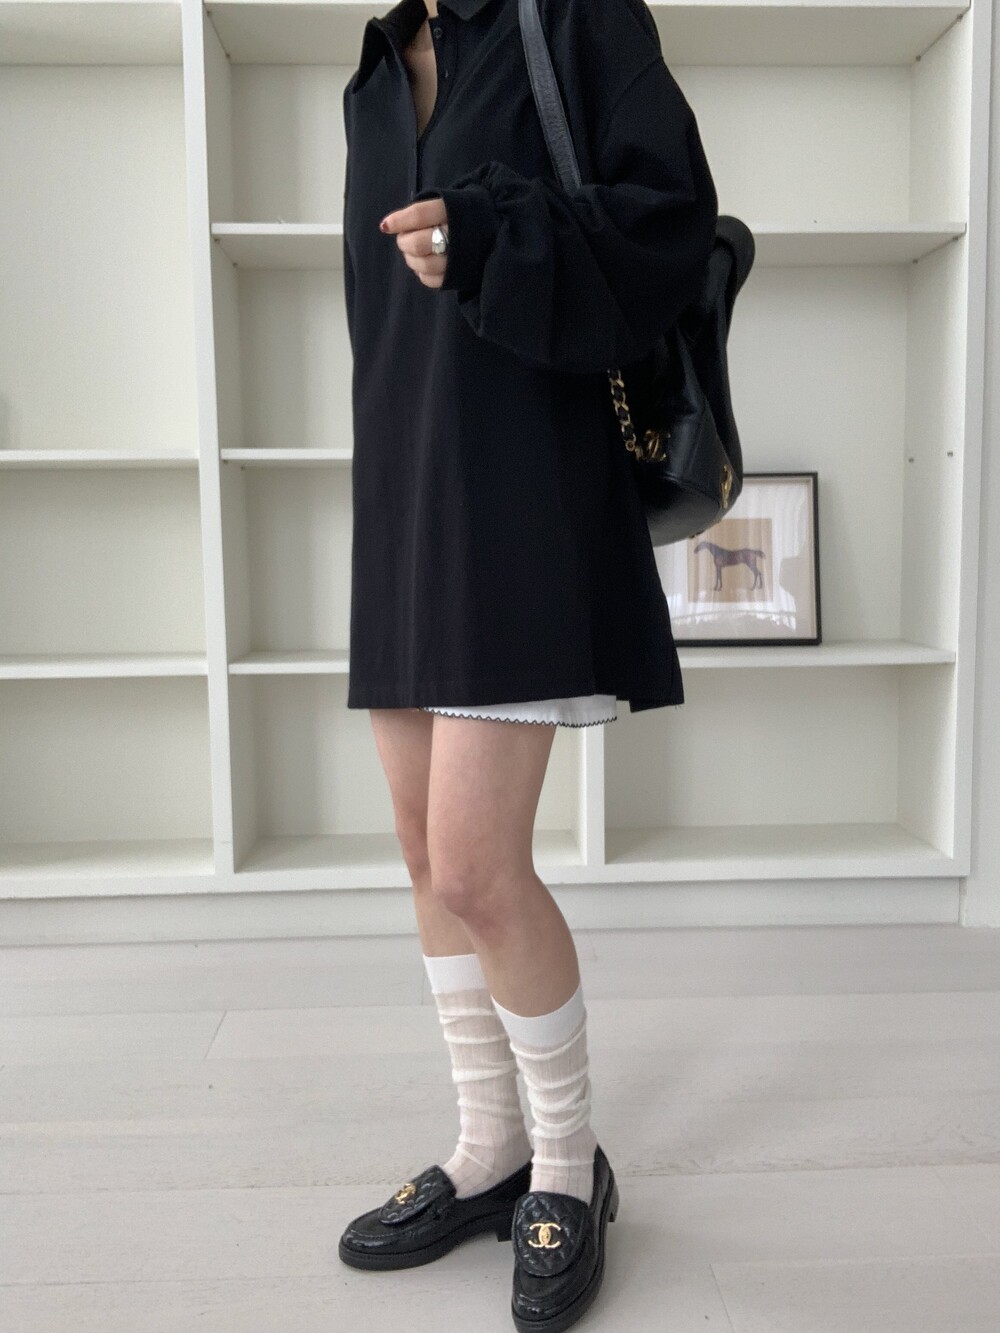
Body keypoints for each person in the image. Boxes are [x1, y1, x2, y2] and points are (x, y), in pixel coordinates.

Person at [336, 0, 718, 1328]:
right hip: (402, 490)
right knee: (418, 850)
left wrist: (494, 234)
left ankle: (567, 1163)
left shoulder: (577, 18)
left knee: (475, 867)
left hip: (521, 491)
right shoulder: (373, 71)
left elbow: (669, 221)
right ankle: (489, 1144)